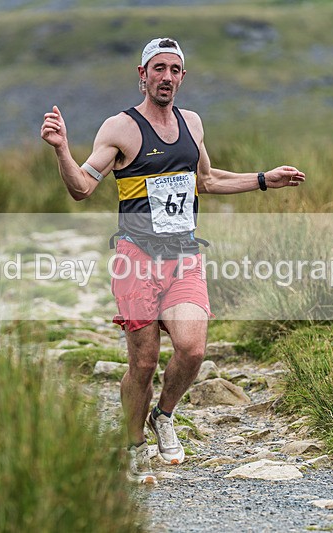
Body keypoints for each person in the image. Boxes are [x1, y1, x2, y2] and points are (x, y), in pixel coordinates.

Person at [40, 37, 305, 484]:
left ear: (183, 76)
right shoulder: (120, 128)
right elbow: (82, 187)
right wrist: (62, 149)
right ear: (142, 75)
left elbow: (208, 179)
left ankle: (163, 416)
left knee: (193, 349)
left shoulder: (192, 124)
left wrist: (264, 179)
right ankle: (132, 444)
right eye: (158, 68)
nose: (166, 77)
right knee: (142, 364)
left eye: (175, 70)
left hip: (184, 256)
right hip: (136, 259)